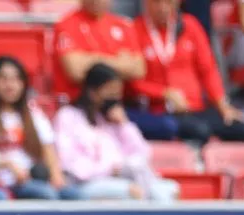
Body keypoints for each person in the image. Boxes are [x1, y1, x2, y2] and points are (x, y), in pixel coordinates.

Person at [127, 0, 244, 143]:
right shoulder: (134, 29)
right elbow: (133, 82)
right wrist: (163, 93)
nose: (162, 8)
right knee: (199, 131)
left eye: (168, 3)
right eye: (157, 2)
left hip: (195, 108)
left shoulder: (190, 25)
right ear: (146, 3)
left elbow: (208, 69)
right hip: (159, 112)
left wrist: (223, 106)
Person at [55, 63, 178, 201]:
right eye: (110, 93)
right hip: (86, 183)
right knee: (134, 192)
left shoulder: (111, 120)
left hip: (122, 178)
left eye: (117, 94)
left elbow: (142, 153)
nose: (114, 98)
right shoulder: (68, 116)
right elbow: (70, 164)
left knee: (168, 189)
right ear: (92, 92)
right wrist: (109, 170)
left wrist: (125, 124)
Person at [0, 56, 82, 200]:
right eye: (3, 78)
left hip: (31, 178)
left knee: (75, 195)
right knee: (46, 194)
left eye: (16, 79)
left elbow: (48, 147)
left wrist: (56, 176)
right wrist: (9, 165)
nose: (10, 85)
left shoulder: (32, 112)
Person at [53, 0, 146, 104]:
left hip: (118, 105)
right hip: (78, 104)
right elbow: (75, 72)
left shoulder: (123, 25)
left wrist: (92, 60)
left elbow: (139, 70)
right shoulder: (67, 24)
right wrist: (119, 63)